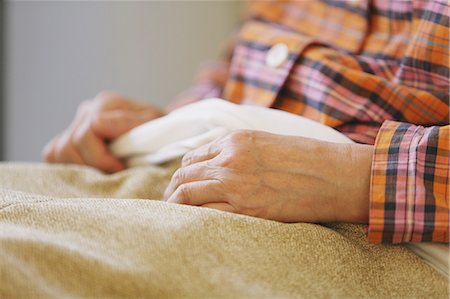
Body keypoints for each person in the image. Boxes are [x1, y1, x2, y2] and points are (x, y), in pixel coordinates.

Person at [43, 0, 449, 244]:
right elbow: (253, 52)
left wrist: (353, 181)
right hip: (221, 168)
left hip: (393, 235)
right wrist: (168, 120)